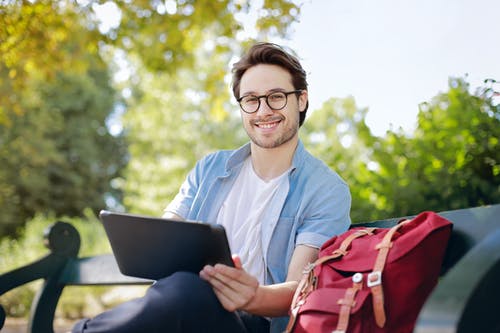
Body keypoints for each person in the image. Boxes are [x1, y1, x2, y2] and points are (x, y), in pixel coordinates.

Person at [72, 42, 351, 333]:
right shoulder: (210, 169)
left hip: (252, 324)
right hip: (180, 309)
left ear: (301, 100)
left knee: (184, 290)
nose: (263, 110)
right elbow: (167, 233)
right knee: (182, 288)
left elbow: (299, 290)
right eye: (251, 100)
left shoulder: (326, 190)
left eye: (277, 97)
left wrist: (253, 296)